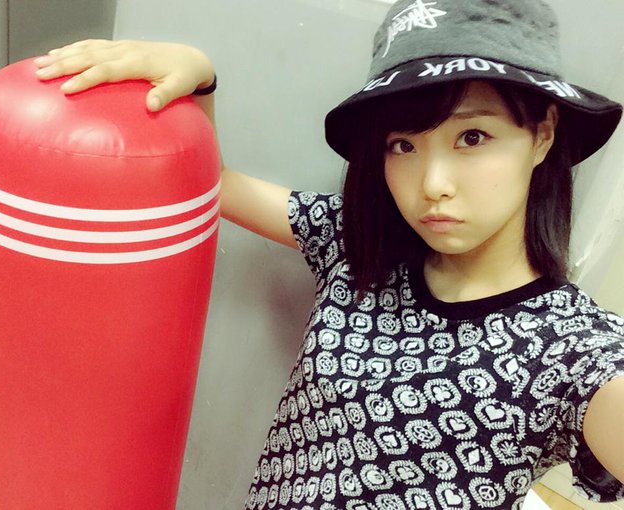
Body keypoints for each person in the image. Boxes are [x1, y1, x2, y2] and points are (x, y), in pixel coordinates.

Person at [34, 0, 624, 508]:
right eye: (403, 145)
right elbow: (211, 183)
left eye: (473, 137)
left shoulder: (575, 348)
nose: (432, 183)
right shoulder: (361, 244)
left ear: (542, 133)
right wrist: (201, 80)